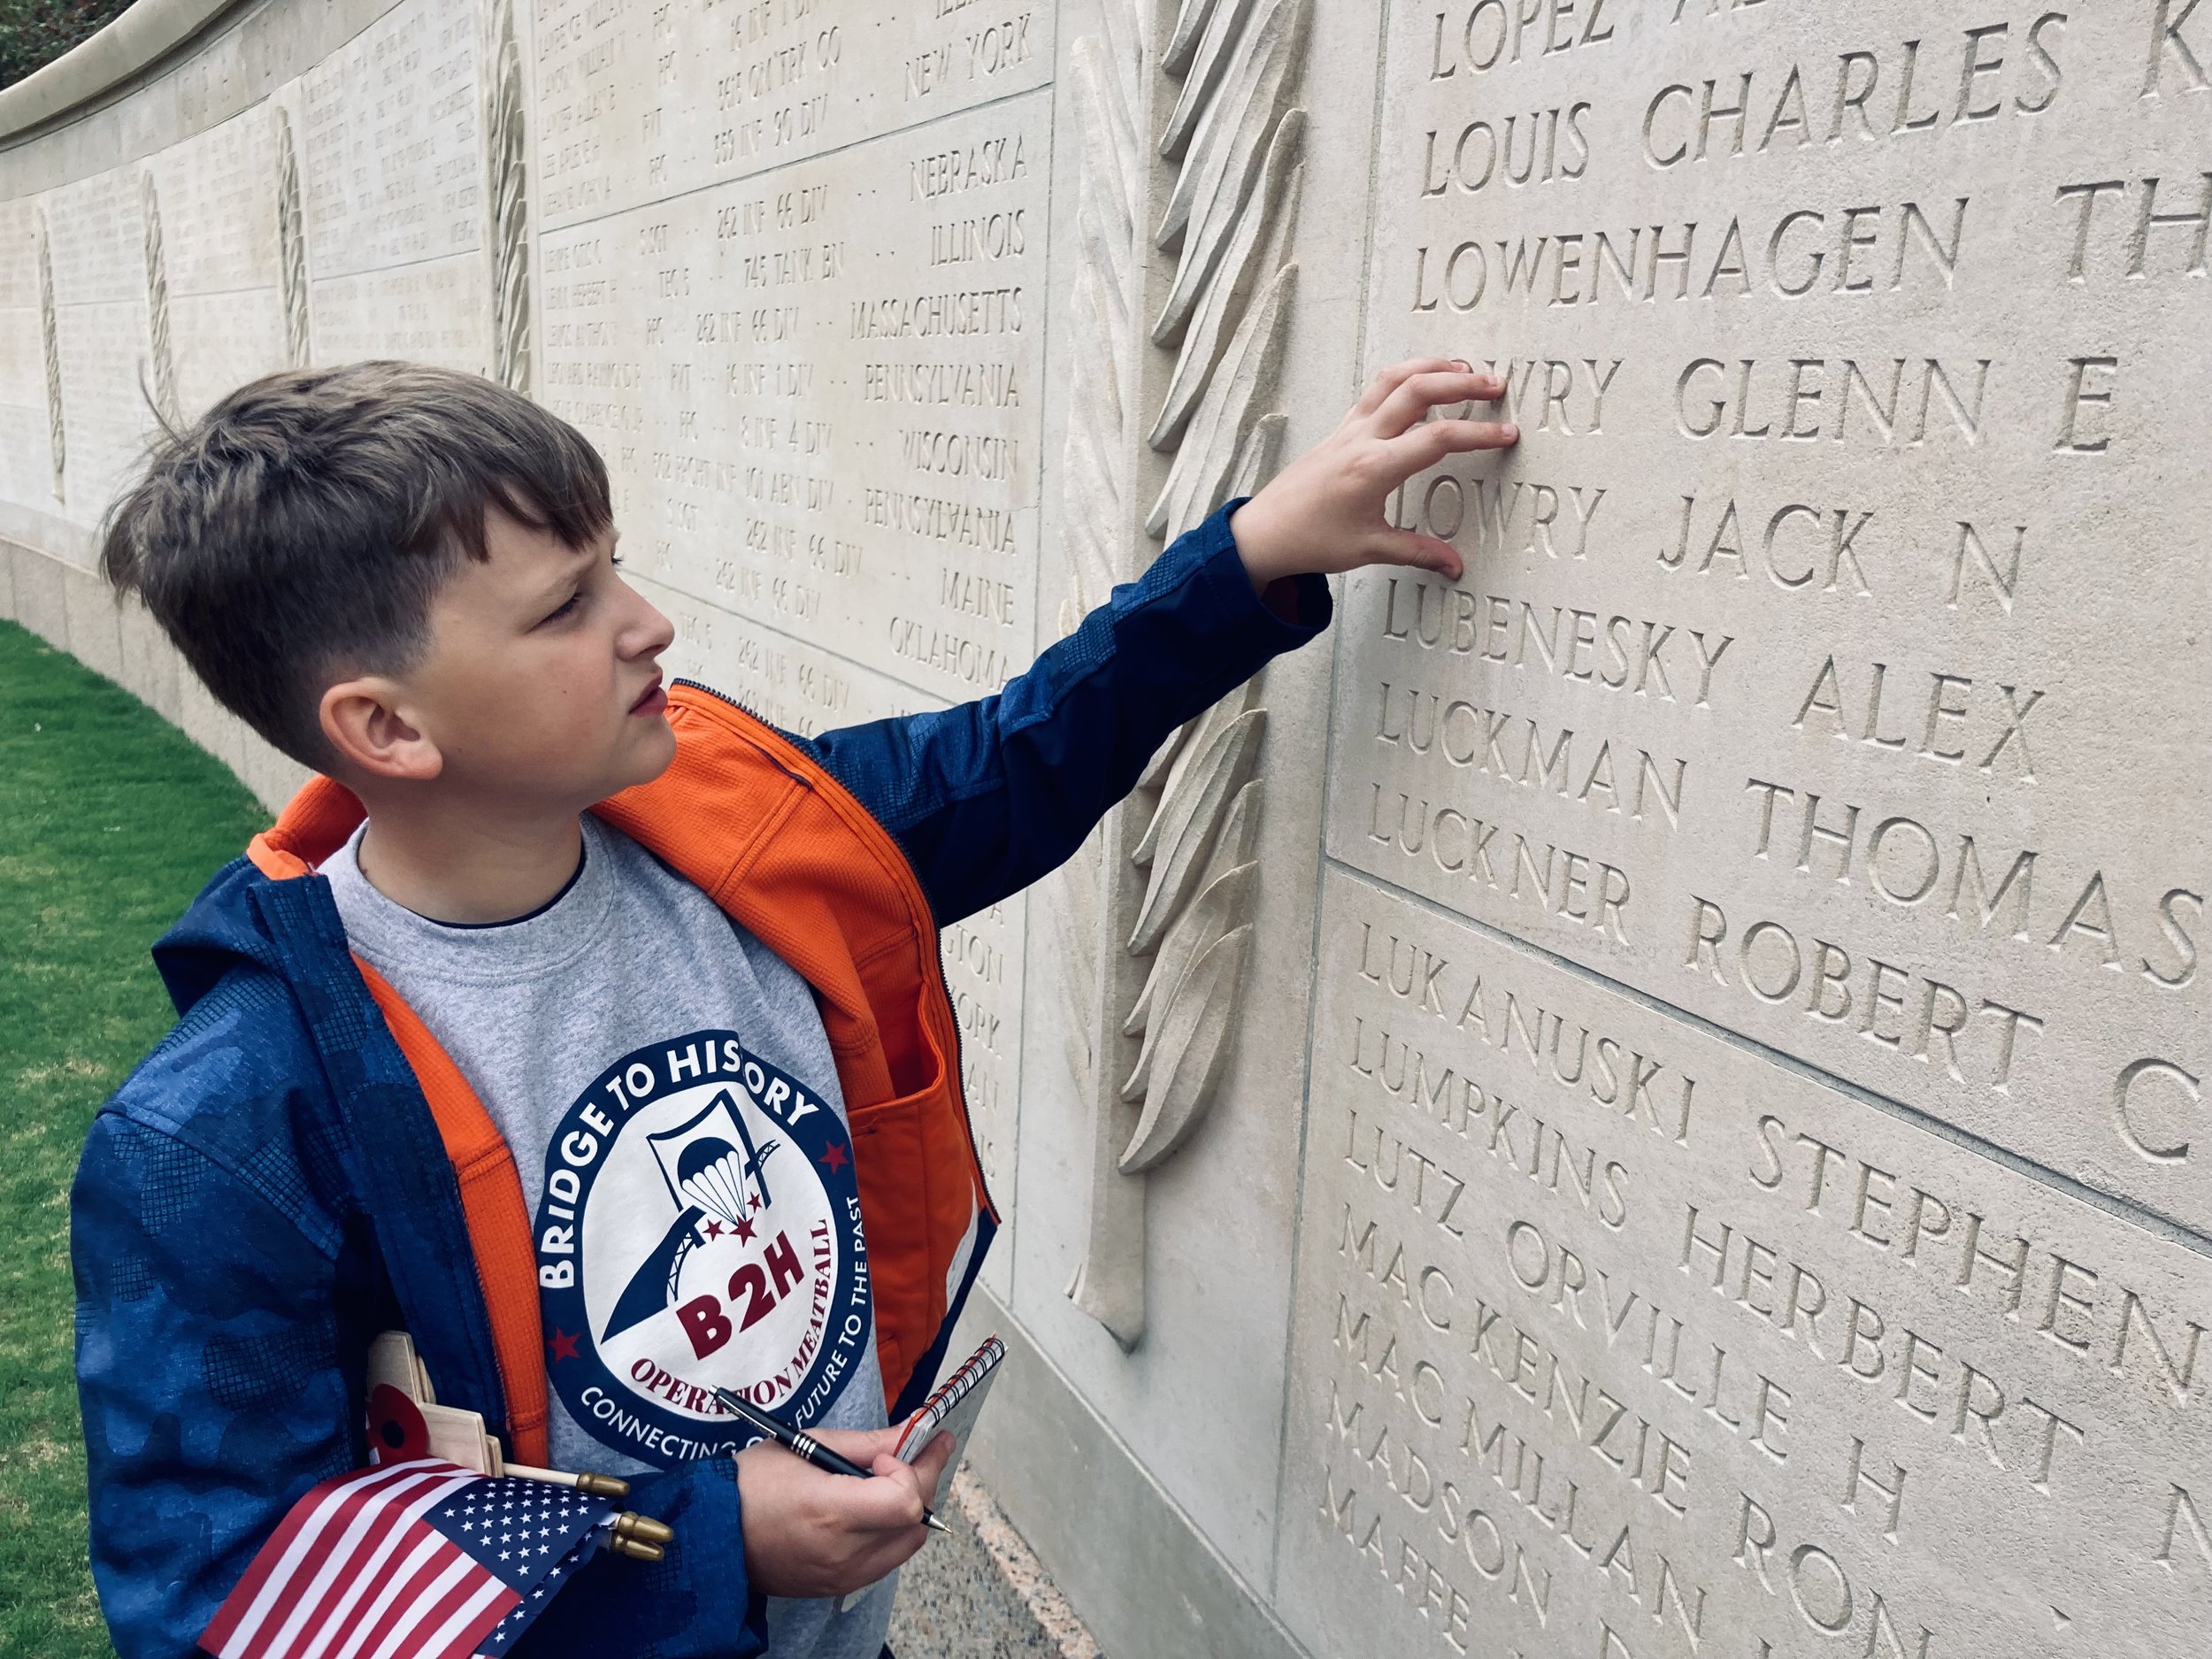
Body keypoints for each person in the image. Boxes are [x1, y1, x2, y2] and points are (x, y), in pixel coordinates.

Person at [71, 356, 1517, 1658]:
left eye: (614, 566)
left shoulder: (752, 842)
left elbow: (1011, 762)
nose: (649, 623)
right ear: (386, 726)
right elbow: (236, 1588)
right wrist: (710, 1545)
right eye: (568, 605)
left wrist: (1251, 556)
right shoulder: (224, 1134)